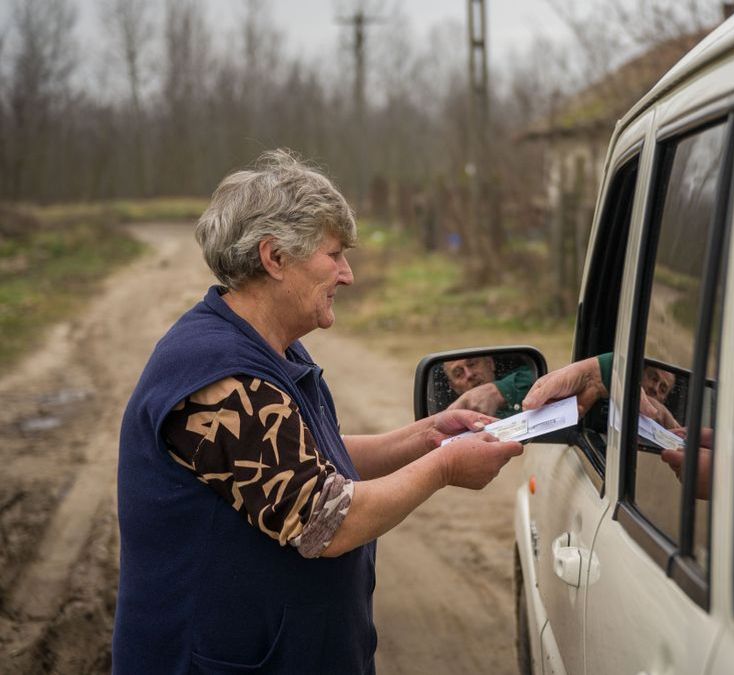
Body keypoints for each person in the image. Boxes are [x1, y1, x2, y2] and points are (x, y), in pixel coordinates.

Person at [113, 149, 523, 674]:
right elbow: (325, 521)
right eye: (334, 255)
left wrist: (427, 435)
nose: (348, 275)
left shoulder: (271, 347)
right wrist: (444, 467)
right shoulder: (216, 376)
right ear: (274, 258)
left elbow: (306, 458)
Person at [522, 354, 710, 498]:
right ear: (638, 375)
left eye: (663, 389)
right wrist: (596, 377)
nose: (655, 388)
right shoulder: (604, 409)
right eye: (653, 378)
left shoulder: (664, 427)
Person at [443, 355, 533, 418]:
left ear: (490, 363)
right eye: (459, 374)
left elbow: (540, 379)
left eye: (472, 364)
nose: (469, 374)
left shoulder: (524, 376)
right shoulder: (458, 424)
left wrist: (498, 391)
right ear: (454, 387)